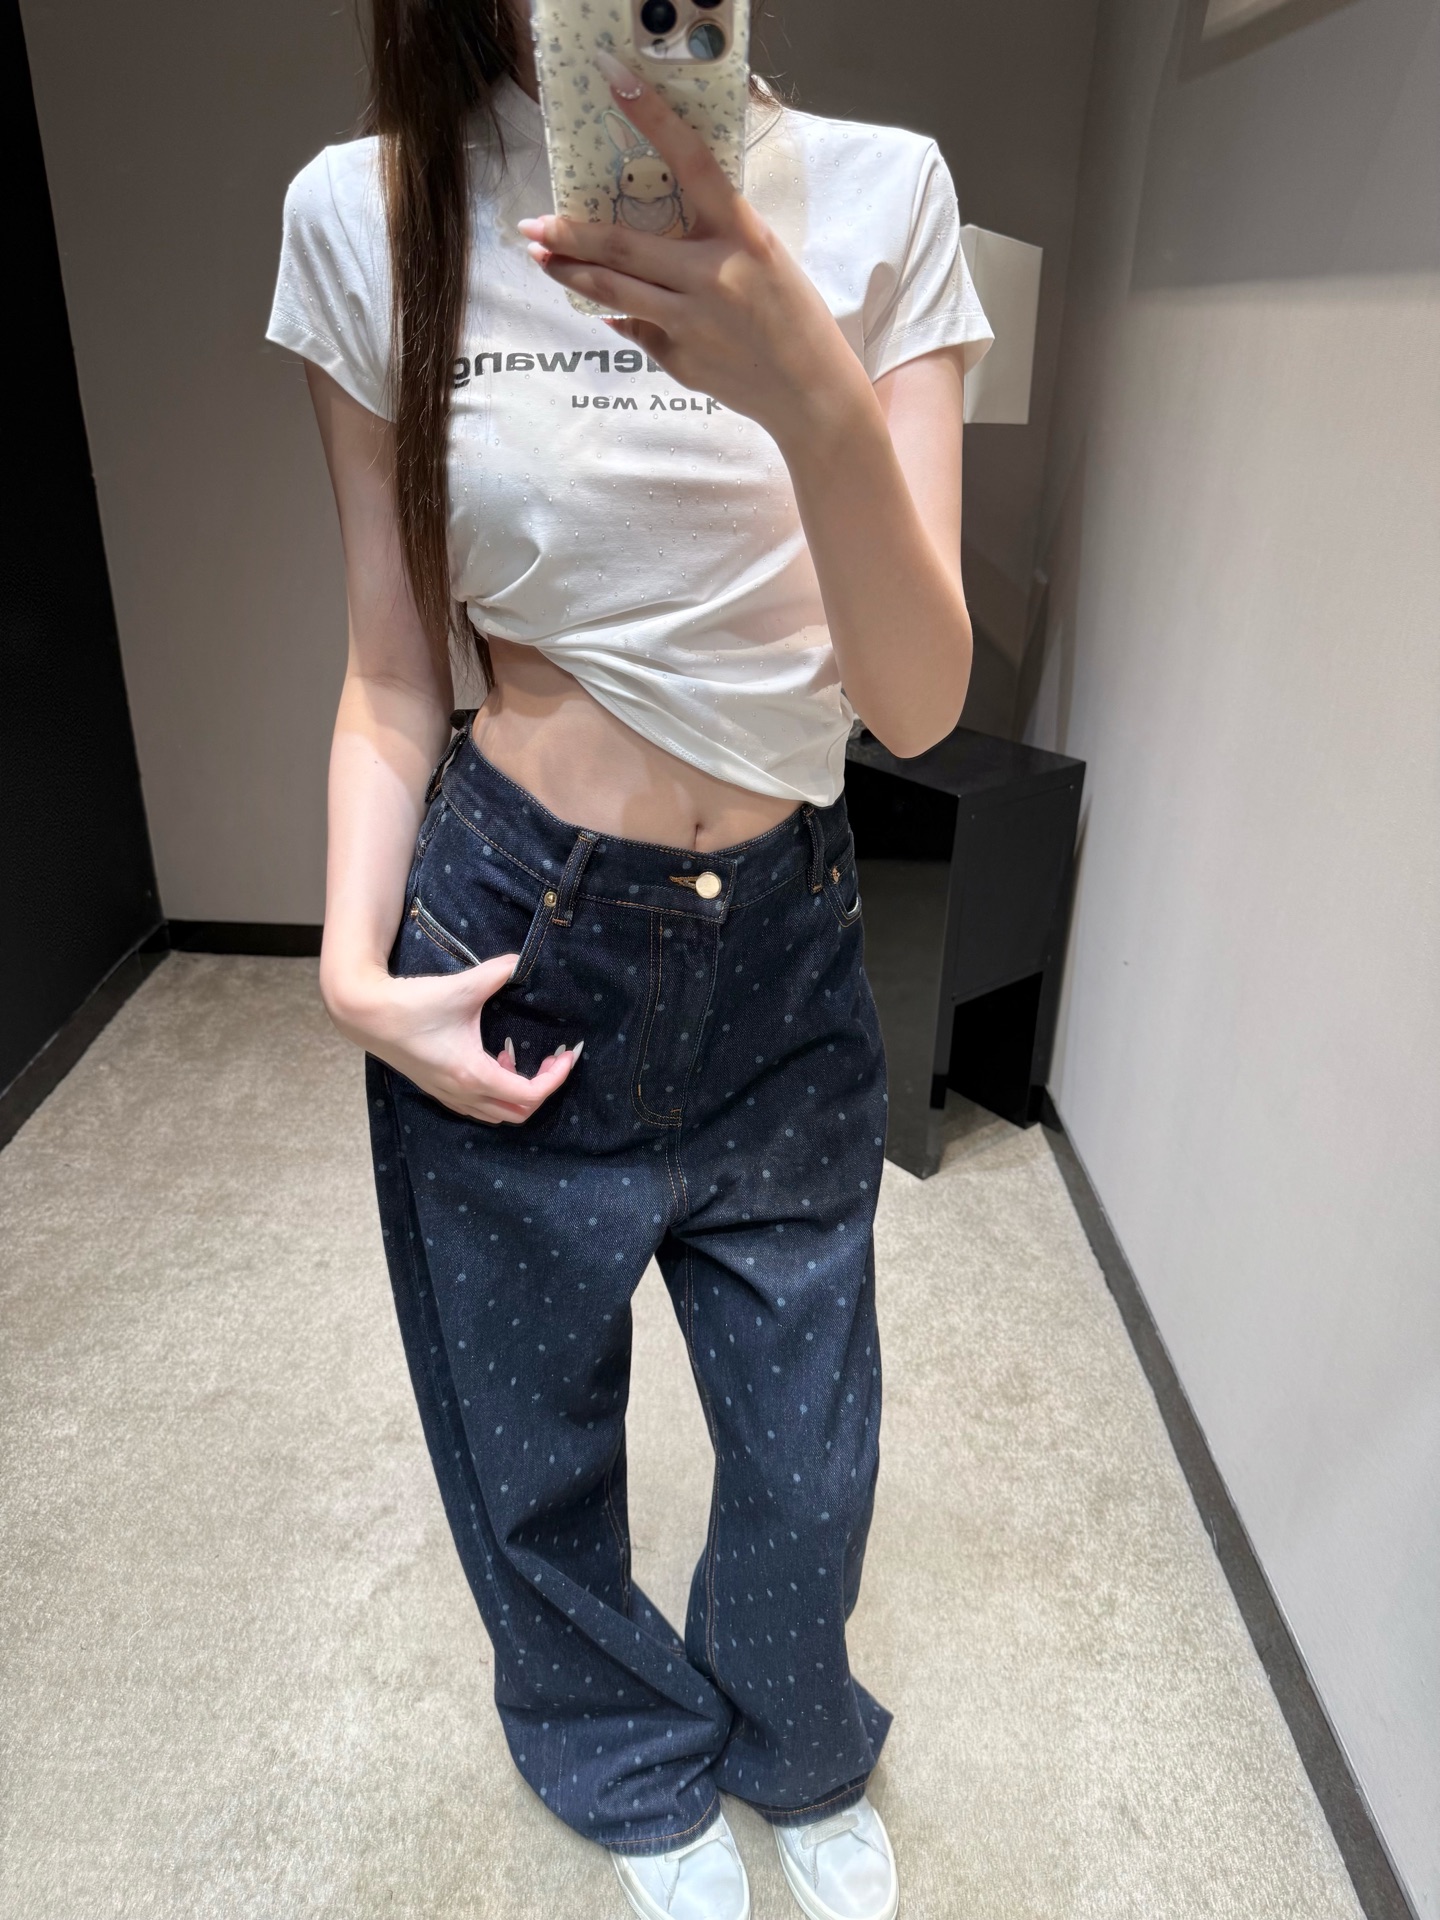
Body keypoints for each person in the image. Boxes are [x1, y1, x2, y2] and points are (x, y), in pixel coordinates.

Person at [266, 3, 991, 1915]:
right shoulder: (372, 213)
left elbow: (918, 702)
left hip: (783, 949)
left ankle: (794, 1732)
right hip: (518, 930)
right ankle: (619, 1758)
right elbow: (392, 673)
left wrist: (805, 384)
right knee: (529, 1443)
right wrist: (346, 967)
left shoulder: (882, 197)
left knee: (808, 1450)